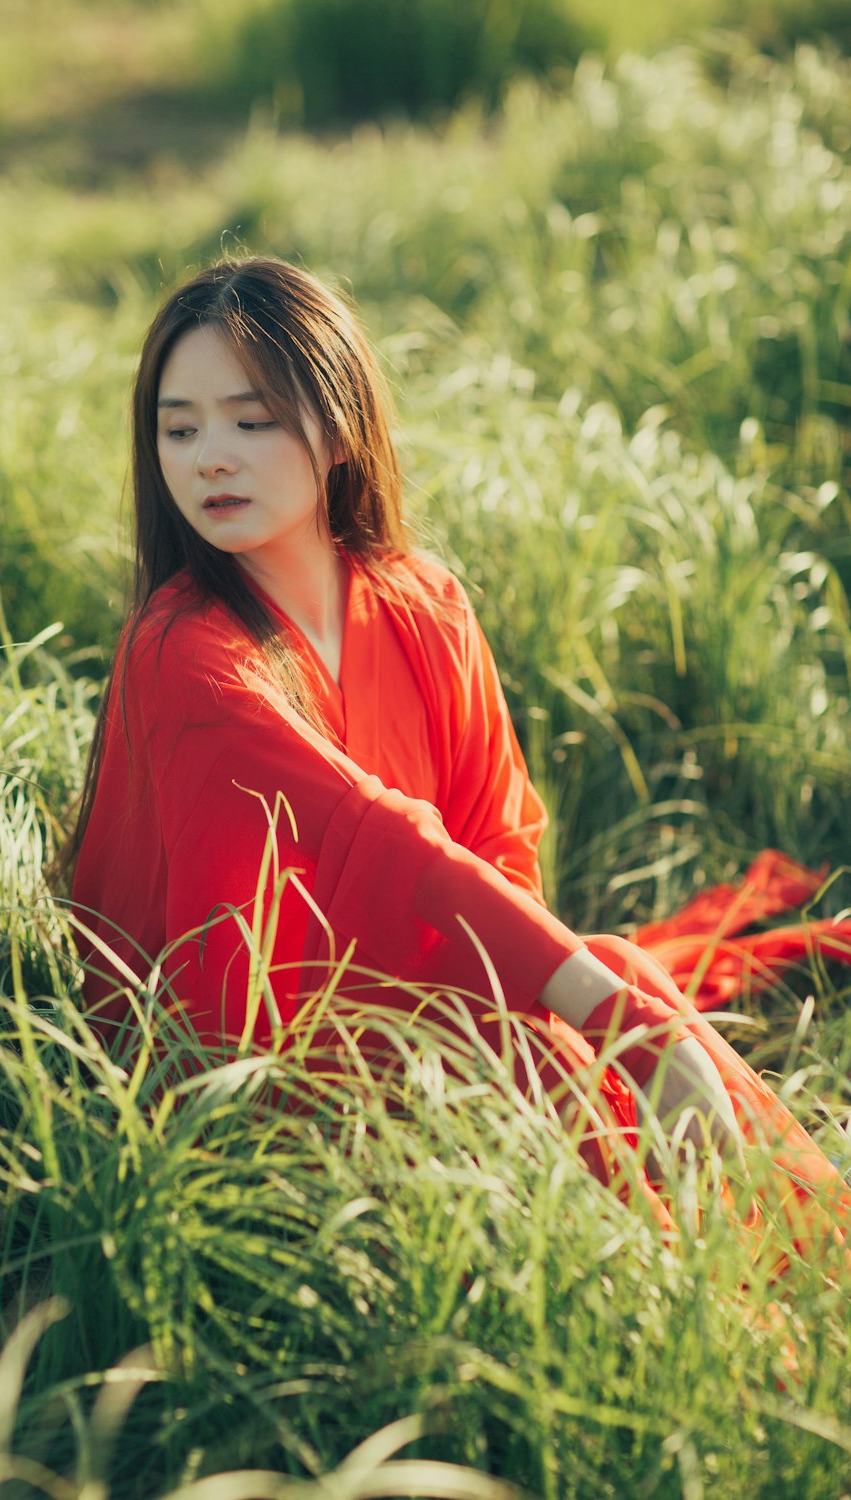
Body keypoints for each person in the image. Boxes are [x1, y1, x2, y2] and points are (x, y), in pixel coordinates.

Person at [67, 256, 845, 1246]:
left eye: (250, 420)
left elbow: (498, 846)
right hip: (244, 1067)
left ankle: (748, 1286)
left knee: (584, 999)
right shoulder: (182, 649)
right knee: (591, 1018)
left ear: (341, 426)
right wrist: (612, 1022)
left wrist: (534, 1005)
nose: (210, 457)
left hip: (410, 1005)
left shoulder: (424, 603)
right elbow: (375, 833)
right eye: (179, 429)